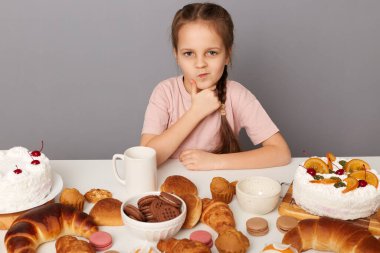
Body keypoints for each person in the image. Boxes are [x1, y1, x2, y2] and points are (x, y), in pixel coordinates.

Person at [141, 2, 291, 170]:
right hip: (170, 188)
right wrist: (195, 113)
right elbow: (146, 159)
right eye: (189, 53)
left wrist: (214, 161)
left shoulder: (237, 95)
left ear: (227, 55)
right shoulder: (165, 92)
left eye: (211, 52)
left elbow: (281, 152)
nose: (200, 64)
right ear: (176, 55)